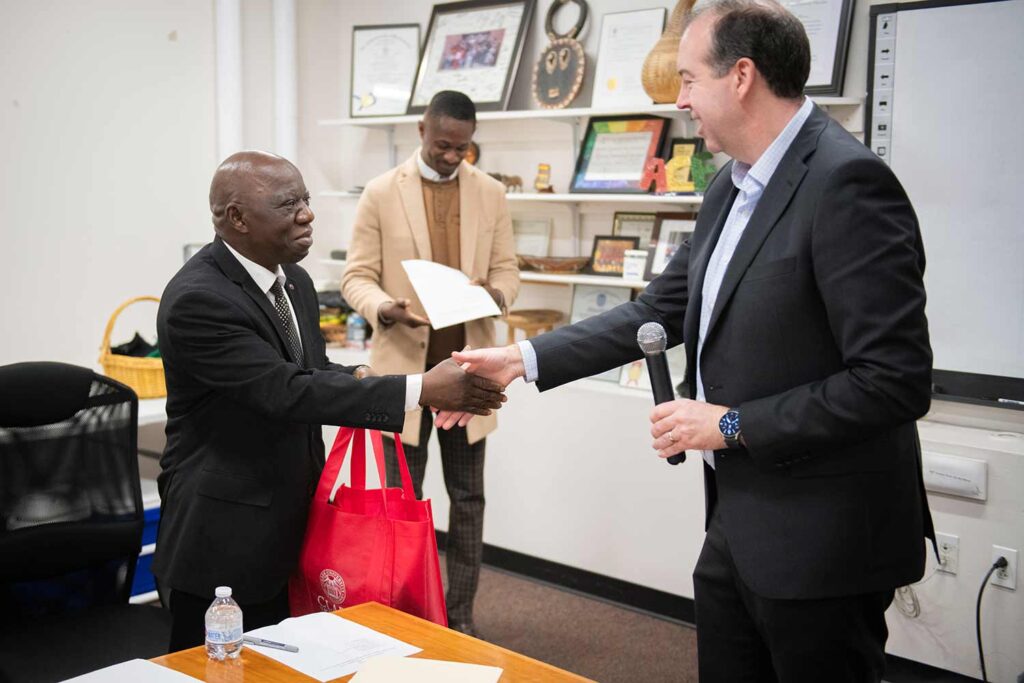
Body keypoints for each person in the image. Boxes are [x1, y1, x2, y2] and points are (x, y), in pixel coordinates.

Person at [448, 1, 935, 679]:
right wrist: (522, 358)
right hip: (737, 520)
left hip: (826, 537)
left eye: (686, 80)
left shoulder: (847, 184)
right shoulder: (727, 189)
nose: (678, 102)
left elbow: (894, 379)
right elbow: (656, 311)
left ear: (741, 76)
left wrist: (731, 423)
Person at [153, 151, 506, 652]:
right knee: (216, 669)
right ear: (236, 218)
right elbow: (284, 391)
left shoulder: (292, 280)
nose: (307, 214)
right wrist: (419, 388)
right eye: (287, 204)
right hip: (223, 537)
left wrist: (367, 376)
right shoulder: (199, 298)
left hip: (290, 521)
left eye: (306, 199)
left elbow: (310, 370)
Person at [342, 90, 519, 636]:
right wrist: (383, 309)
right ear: (422, 129)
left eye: (462, 148)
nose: (451, 156)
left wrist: (493, 294)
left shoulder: (490, 192)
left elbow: (509, 272)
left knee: (468, 503)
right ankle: (404, 619)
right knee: (402, 510)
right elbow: (356, 277)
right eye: (443, 145)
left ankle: (460, 621)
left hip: (471, 381)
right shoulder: (379, 193)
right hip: (408, 385)